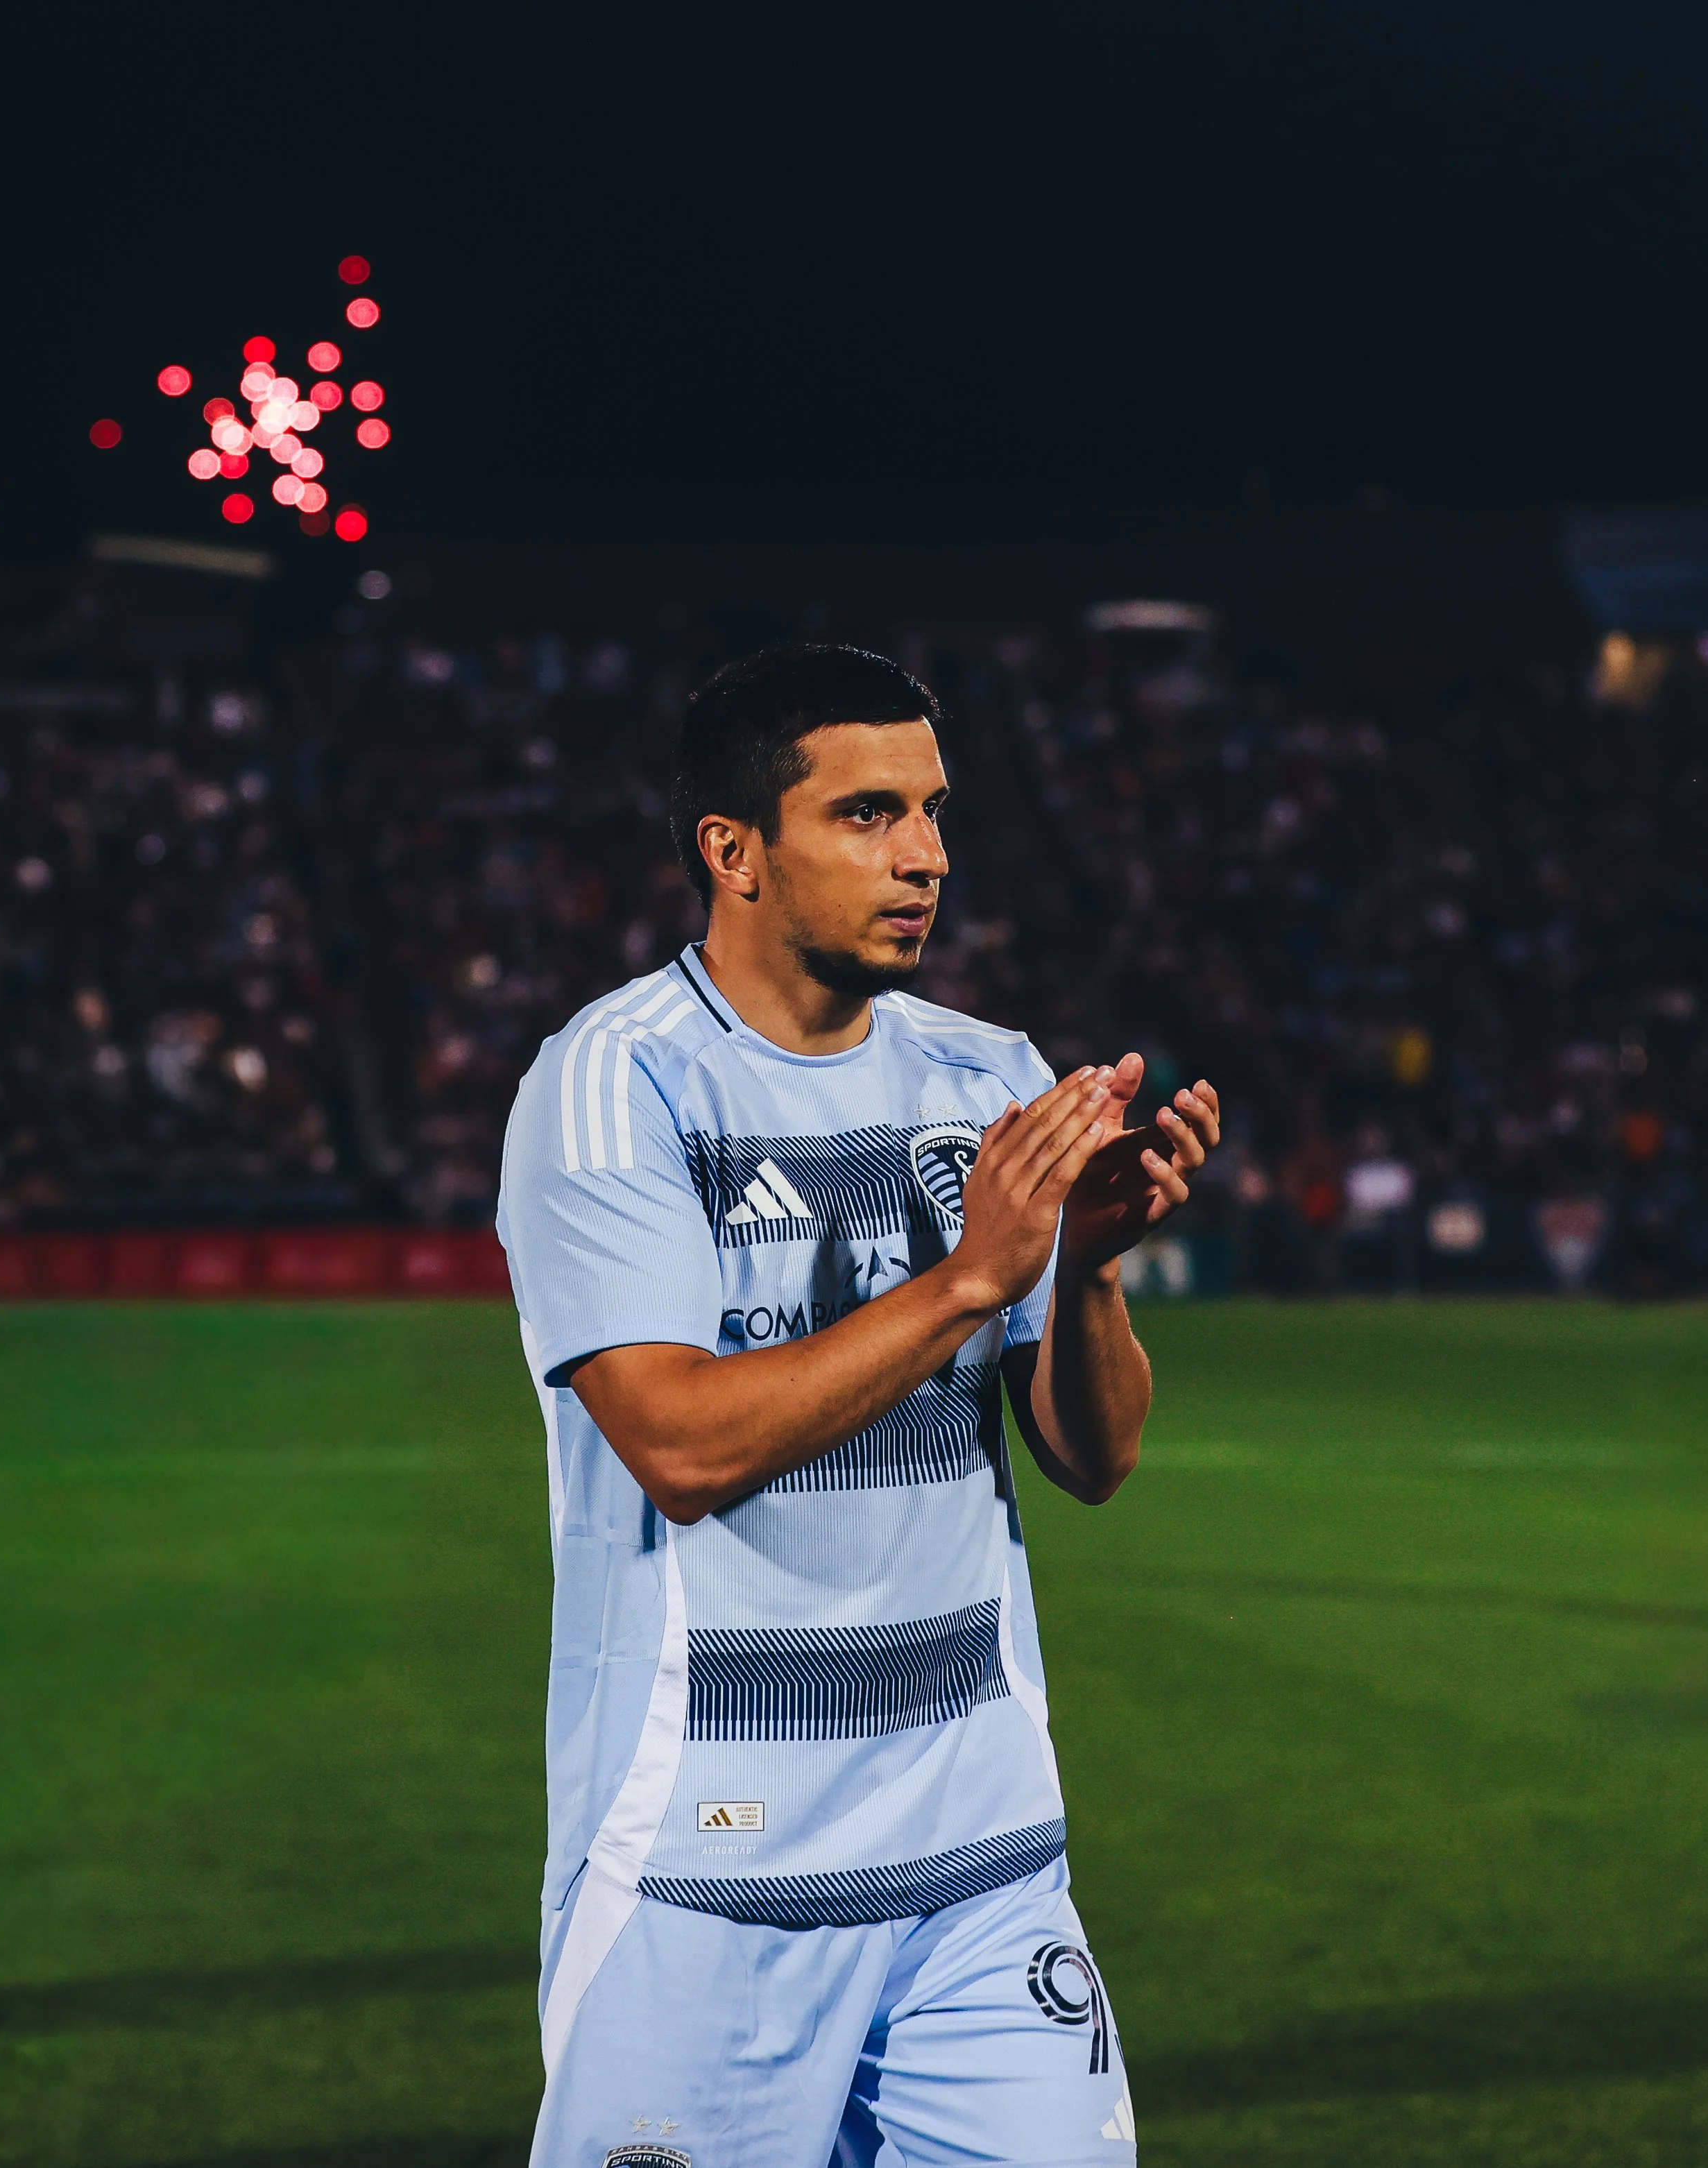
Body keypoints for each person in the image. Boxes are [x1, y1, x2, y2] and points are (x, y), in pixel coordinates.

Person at [497, 644, 1221, 2168]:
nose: (927, 856)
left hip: (983, 1868)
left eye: (934, 812)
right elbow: (681, 1441)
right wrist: (969, 1279)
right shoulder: (615, 1083)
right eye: (870, 813)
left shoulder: (990, 1078)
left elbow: (1095, 1456)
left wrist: (1081, 1273)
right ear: (734, 850)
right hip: (706, 1879)